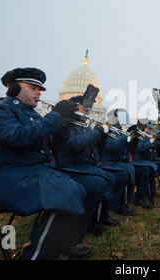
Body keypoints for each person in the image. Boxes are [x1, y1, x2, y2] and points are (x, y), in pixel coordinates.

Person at [0, 67, 93, 259]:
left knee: (80, 189)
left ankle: (57, 245)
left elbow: (54, 146)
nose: (39, 93)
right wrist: (55, 116)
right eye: (33, 87)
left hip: (36, 173)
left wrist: (64, 126)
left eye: (41, 89)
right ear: (14, 88)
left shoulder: (35, 116)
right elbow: (19, 138)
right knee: (67, 194)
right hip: (11, 179)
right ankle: (34, 256)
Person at [49, 96, 120, 235]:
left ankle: (99, 217)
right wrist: (97, 131)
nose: (88, 112)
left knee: (110, 178)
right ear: (74, 106)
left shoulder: (83, 125)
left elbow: (95, 148)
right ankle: (85, 223)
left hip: (84, 164)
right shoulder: (68, 124)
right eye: (84, 108)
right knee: (101, 183)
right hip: (70, 166)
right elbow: (77, 145)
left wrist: (103, 135)